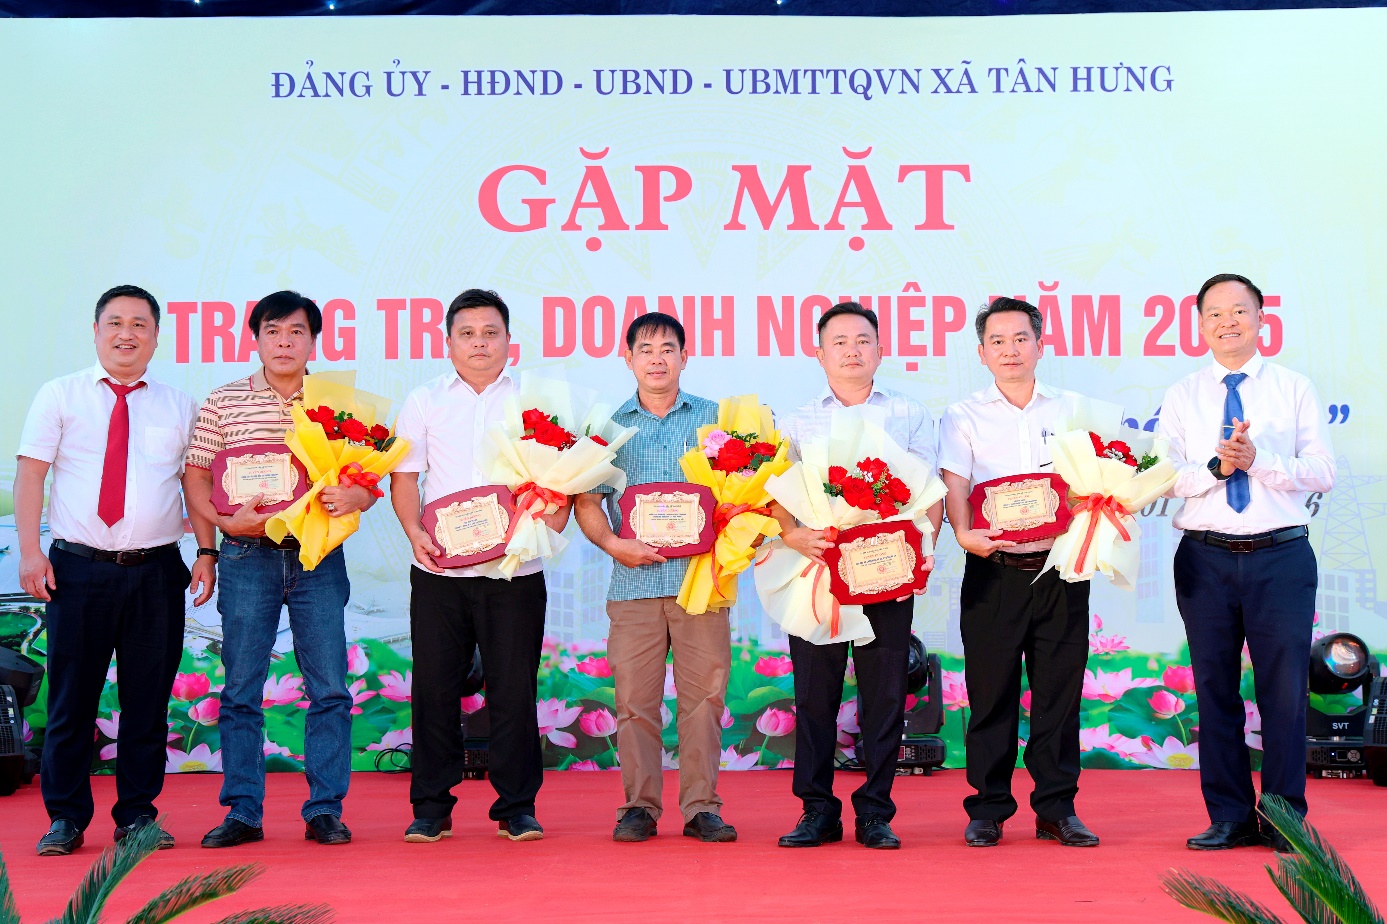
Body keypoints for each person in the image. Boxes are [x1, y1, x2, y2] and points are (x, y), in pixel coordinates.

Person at [17, 285, 210, 856]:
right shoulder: (60, 395)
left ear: (156, 335)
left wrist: (207, 551)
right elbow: (31, 475)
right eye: (116, 322)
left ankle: (137, 817)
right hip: (77, 570)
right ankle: (66, 818)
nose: (127, 333)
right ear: (97, 331)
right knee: (72, 700)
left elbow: (194, 485)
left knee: (147, 702)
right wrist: (30, 552)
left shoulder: (179, 405)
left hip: (157, 572)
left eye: (140, 324)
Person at [184, 291, 376, 848]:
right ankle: (243, 812)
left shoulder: (338, 404)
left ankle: (325, 810)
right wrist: (218, 533)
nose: (284, 342)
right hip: (246, 557)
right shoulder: (224, 402)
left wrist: (359, 497)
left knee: (329, 688)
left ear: (314, 340)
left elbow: (369, 477)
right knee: (242, 688)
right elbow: (196, 476)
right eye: (273, 331)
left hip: (318, 556)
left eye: (296, 332)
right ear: (256, 338)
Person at [1158, 273, 1334, 852]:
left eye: (1239, 310)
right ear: (1200, 325)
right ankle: (1229, 815)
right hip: (1204, 558)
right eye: (1215, 313)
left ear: (1261, 318)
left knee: (1284, 692)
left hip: (1280, 557)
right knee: (1215, 689)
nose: (1227, 321)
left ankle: (1284, 819)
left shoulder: (1294, 388)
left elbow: (1322, 472)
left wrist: (1259, 461)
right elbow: (1165, 478)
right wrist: (1218, 468)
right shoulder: (1183, 395)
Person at [389, 289, 569, 844]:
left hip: (514, 570)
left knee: (513, 691)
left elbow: (561, 477)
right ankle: (431, 807)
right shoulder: (424, 399)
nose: (479, 343)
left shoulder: (535, 400)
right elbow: (404, 478)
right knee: (434, 690)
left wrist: (551, 512)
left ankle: (517, 807)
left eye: (491, 333)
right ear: (448, 342)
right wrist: (415, 532)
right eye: (467, 334)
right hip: (439, 572)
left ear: (509, 340)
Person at [771, 301, 941, 851]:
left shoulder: (909, 413)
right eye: (839, 342)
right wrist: (791, 535)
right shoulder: (795, 421)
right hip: (817, 572)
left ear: (880, 350)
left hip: (887, 572)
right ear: (819, 354)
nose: (852, 350)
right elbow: (774, 496)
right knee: (814, 693)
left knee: (884, 694)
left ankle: (875, 812)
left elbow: (929, 492)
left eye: (863, 340)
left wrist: (926, 551)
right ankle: (816, 810)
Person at [938, 297, 1099, 849]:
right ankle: (988, 808)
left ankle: (1057, 808)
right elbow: (956, 483)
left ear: (1040, 344)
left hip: (1061, 569)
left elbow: (1099, 477)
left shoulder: (1073, 410)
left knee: (1059, 694)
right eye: (998, 341)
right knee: (991, 693)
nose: (1010, 350)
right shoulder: (963, 415)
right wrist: (963, 534)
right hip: (994, 569)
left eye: (1021, 338)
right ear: (982, 352)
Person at [573, 314, 735, 844]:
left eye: (668, 348)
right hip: (633, 585)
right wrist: (612, 544)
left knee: (704, 700)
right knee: (634, 703)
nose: (657, 358)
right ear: (628, 359)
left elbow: (745, 489)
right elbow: (587, 500)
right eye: (646, 349)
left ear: (685, 357)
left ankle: (702, 808)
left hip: (701, 582)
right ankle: (638, 807)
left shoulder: (717, 420)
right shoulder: (607, 427)